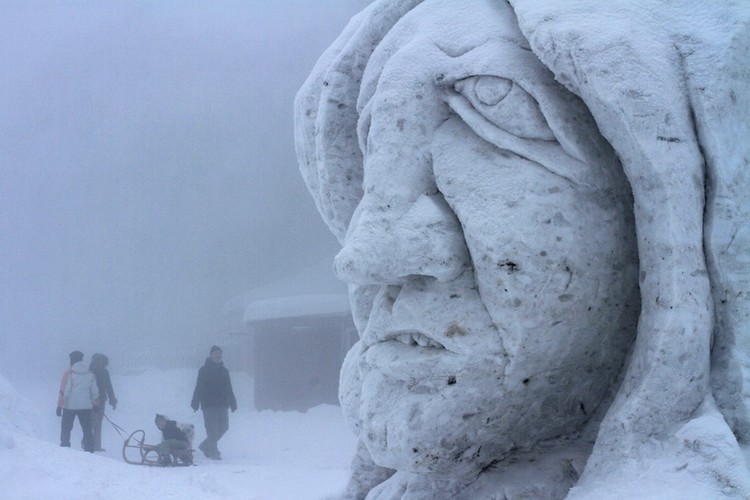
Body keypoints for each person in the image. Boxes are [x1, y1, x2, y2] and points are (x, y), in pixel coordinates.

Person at [191, 345, 237, 460]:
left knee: (224, 427)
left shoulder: (224, 371)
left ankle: (206, 446)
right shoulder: (204, 370)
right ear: (211, 355)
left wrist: (233, 402)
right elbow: (199, 387)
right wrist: (195, 401)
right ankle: (213, 451)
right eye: (216, 353)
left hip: (222, 404)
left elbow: (229, 388)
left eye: (219, 354)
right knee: (212, 429)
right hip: (209, 404)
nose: (218, 356)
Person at [57, 350, 98, 452]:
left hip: (70, 406)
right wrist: (96, 404)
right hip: (85, 407)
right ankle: (89, 448)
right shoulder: (90, 373)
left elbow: (64, 391)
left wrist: (59, 405)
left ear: (72, 360)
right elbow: (94, 391)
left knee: (66, 428)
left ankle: (65, 446)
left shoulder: (69, 373)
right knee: (87, 429)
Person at [89, 353, 118, 452]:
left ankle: (97, 446)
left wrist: (112, 400)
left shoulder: (105, 372)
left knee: (98, 424)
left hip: (102, 401)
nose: (100, 363)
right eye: (98, 361)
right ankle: (87, 443)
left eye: (102, 361)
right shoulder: (89, 372)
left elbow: (109, 387)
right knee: (92, 423)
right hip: (91, 401)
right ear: (95, 361)